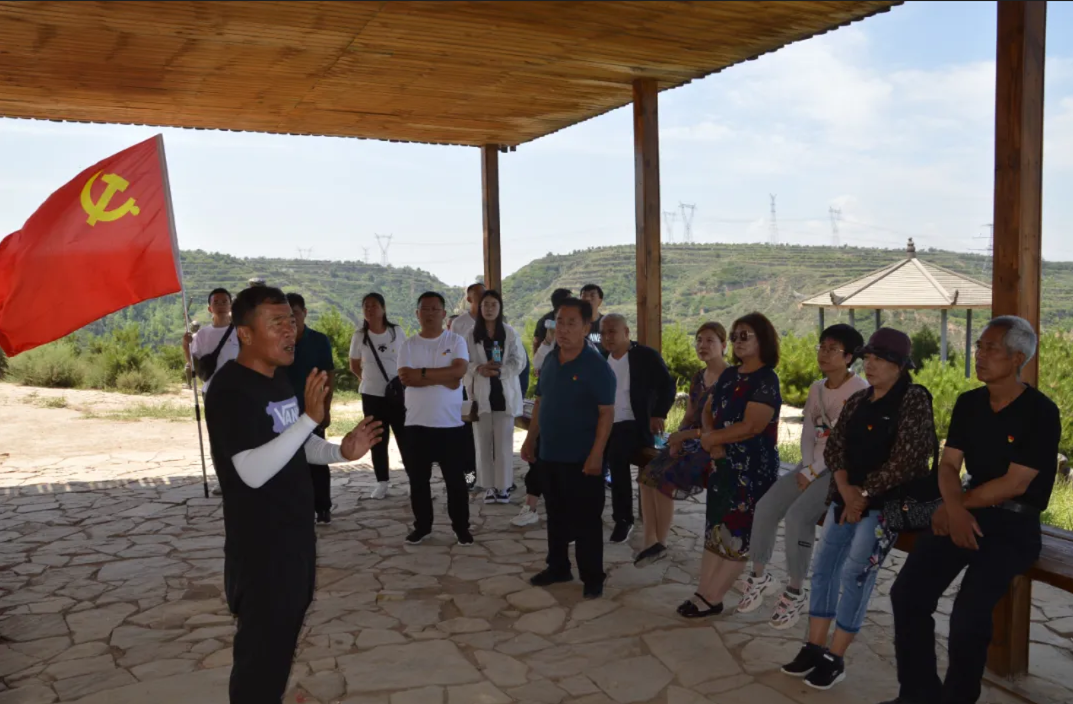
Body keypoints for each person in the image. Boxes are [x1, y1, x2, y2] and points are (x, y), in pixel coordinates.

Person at [203, 285, 382, 704]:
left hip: (295, 540)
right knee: (259, 661)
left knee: (279, 650)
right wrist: (307, 420)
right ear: (245, 333)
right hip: (261, 552)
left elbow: (297, 445)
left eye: (292, 319)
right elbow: (251, 472)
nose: (290, 330)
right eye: (277, 322)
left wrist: (340, 451)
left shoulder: (278, 378)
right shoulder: (230, 389)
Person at [884, 316, 1061, 704]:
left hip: (1014, 524)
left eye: (990, 348)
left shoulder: (1040, 412)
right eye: (979, 346)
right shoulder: (970, 403)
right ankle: (917, 695)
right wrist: (954, 509)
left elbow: (1015, 483)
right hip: (966, 510)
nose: (979, 354)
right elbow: (949, 465)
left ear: (1017, 358)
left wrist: (955, 507)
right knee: (908, 595)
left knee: (968, 615)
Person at [781, 327, 937, 691]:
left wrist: (862, 494)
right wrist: (848, 490)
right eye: (868, 357)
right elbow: (835, 449)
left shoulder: (913, 399)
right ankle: (814, 646)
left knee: (855, 574)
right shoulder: (860, 400)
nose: (870, 364)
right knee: (824, 568)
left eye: (879, 359)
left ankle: (835, 657)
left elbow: (908, 459)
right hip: (847, 498)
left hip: (886, 505)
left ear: (900, 365)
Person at [738, 324, 867, 630]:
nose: (824, 354)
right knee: (766, 506)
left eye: (833, 349)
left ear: (849, 357)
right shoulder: (816, 387)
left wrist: (813, 471)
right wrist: (807, 467)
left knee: (798, 516)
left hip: (840, 470)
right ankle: (759, 575)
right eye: (822, 347)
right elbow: (809, 431)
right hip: (811, 466)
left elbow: (843, 444)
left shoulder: (859, 390)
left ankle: (795, 590)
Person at [678, 313, 782, 619]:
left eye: (744, 335)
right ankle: (703, 591)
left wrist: (713, 439)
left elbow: (752, 426)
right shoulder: (730, 375)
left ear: (763, 339)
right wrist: (712, 439)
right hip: (722, 464)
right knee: (715, 531)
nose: (737, 341)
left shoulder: (766, 379)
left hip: (752, 471)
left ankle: (713, 597)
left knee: (737, 534)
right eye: (734, 336)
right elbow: (708, 409)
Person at [521, 297, 616, 599]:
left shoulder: (596, 366)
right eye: (559, 322)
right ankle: (558, 566)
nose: (563, 329)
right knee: (556, 514)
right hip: (550, 453)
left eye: (571, 323)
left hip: (582, 458)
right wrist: (530, 439)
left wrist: (597, 454)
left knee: (586, 520)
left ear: (587, 327)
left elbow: (606, 413)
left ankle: (592, 576)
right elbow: (540, 401)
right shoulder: (551, 359)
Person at [635, 322, 728, 566]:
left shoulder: (730, 380)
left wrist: (684, 438)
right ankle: (649, 541)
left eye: (710, 340)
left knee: (664, 478)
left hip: (713, 443)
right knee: (646, 477)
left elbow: (721, 428)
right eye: (699, 340)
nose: (702, 345)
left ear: (724, 345)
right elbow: (689, 414)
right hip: (689, 438)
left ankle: (661, 542)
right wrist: (676, 436)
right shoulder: (698, 377)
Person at [397, 292, 473, 545]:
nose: (430, 314)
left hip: (450, 425)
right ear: (417, 314)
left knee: (457, 482)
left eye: (435, 309)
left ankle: (461, 528)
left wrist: (422, 374)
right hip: (416, 424)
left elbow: (459, 372)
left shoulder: (456, 340)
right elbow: (406, 378)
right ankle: (422, 527)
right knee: (418, 482)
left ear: (443, 313)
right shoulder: (409, 345)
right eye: (425, 309)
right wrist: (445, 377)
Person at [599, 313, 676, 544]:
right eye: (603, 333)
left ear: (626, 332)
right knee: (589, 460)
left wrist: (658, 413)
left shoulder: (645, 356)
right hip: (606, 422)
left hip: (635, 424)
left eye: (612, 331)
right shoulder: (602, 359)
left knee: (616, 456)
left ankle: (624, 519)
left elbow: (667, 386)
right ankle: (588, 515)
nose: (607, 337)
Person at [464, 290, 527, 503]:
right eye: (486, 305)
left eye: (493, 305)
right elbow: (463, 362)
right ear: (479, 308)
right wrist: (479, 368)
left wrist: (501, 371)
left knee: (503, 445)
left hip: (503, 395)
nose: (489, 309)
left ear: (500, 308)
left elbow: (519, 361)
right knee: (482, 445)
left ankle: (503, 487)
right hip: (481, 396)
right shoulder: (471, 334)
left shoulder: (509, 333)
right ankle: (488, 487)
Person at [283, 293, 336, 524]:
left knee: (317, 460)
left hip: (312, 411)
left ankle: (323, 507)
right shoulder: (276, 340)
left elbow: (329, 375)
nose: (291, 319)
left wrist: (326, 407)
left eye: (294, 313)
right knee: (286, 461)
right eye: (285, 315)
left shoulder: (319, 340)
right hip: (282, 412)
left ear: (304, 313)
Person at [349, 292, 406, 500]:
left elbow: (406, 357)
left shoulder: (396, 331)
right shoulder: (359, 336)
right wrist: (368, 380)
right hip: (372, 395)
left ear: (383, 308)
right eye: (366, 306)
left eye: (374, 305)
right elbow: (354, 365)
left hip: (397, 394)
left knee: (405, 437)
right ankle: (382, 482)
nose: (370, 309)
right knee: (377, 439)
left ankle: (414, 478)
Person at [447, 282, 485, 490]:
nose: (482, 297)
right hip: (465, 385)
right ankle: (470, 477)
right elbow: (454, 354)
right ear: (469, 299)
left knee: (489, 434)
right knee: (467, 436)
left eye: (485, 294)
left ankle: (493, 478)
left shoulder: (494, 320)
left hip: (489, 385)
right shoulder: (459, 323)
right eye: (477, 294)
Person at [183, 288, 240, 395]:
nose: (220, 305)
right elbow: (194, 364)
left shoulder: (241, 332)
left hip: (238, 391)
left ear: (230, 306)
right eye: (216, 302)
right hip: (211, 391)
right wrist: (186, 347)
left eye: (224, 302)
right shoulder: (201, 335)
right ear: (210, 308)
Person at [532, 288, 572, 356]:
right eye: (570, 301)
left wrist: (536, 359)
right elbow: (537, 342)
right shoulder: (545, 322)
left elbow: (536, 342)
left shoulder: (542, 321)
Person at [580, 284, 606, 354]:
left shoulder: (607, 323)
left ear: (600, 301)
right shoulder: (574, 324)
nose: (587, 299)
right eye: (584, 296)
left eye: (592, 296)